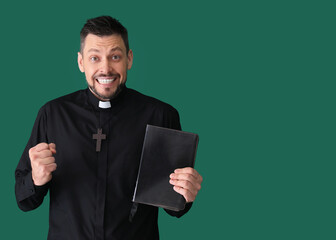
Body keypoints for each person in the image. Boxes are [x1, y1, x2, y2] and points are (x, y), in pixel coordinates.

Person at [15, 16, 203, 240]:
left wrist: (185, 192)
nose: (105, 68)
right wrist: (36, 179)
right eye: (94, 58)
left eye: (115, 56)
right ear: (81, 62)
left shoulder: (161, 115)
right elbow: (24, 201)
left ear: (129, 59)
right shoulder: (52, 114)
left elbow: (175, 207)